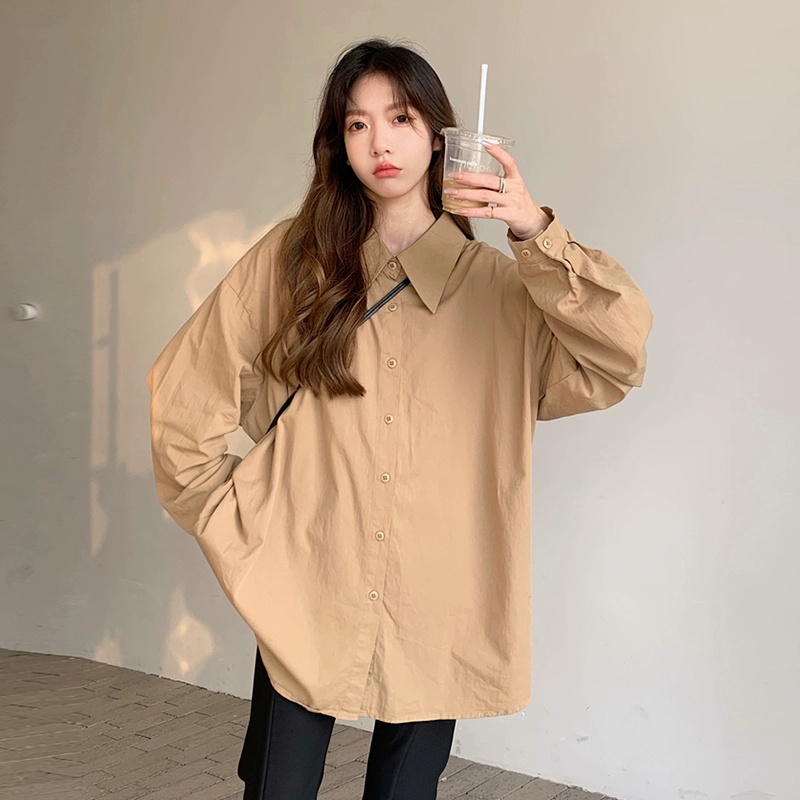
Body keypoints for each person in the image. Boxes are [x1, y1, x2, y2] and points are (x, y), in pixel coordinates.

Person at [146, 36, 653, 800]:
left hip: (439, 591)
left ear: (439, 136)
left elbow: (619, 355)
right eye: (357, 124)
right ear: (338, 141)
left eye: (401, 119)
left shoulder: (501, 291)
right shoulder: (295, 263)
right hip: (306, 580)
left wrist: (533, 230)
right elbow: (184, 393)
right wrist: (235, 518)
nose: (379, 142)